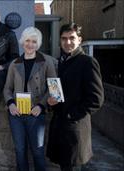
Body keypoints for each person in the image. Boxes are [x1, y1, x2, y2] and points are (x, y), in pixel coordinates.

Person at [46, 23, 104, 171]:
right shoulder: (62, 61)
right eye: (64, 38)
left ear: (79, 39)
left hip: (74, 130)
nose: (68, 42)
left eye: (72, 38)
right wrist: (52, 102)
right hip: (60, 128)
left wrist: (72, 115)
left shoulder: (88, 62)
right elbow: (61, 92)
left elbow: (96, 99)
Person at [3, 27, 57, 171]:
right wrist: (10, 104)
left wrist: (41, 106)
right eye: (27, 40)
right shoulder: (15, 63)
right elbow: (7, 88)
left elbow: (53, 88)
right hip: (17, 114)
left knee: (38, 152)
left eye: (34, 41)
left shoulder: (47, 61)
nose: (30, 44)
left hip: (36, 113)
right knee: (20, 151)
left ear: (38, 43)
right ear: (22, 42)